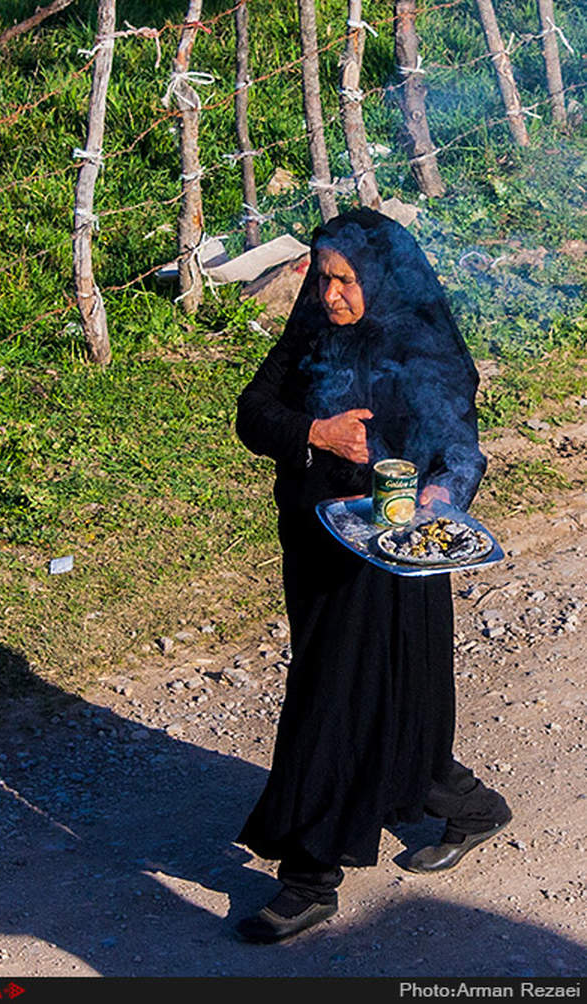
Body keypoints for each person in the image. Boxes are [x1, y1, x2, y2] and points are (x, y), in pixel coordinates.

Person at [233, 208, 512, 944]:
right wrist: (313, 432)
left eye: (346, 280)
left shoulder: (421, 336)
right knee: (363, 692)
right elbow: (252, 413)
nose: (330, 295)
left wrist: (441, 495)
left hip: (399, 553)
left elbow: (459, 441)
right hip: (322, 541)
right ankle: (467, 805)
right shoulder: (312, 334)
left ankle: (307, 877)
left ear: (382, 279)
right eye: (323, 278)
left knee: (347, 696)